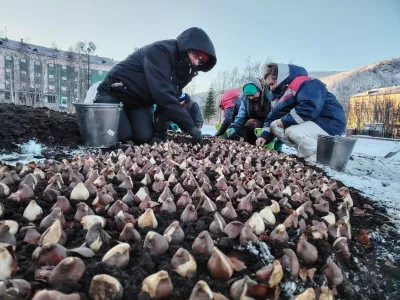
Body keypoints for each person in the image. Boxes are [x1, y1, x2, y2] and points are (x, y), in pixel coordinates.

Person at [94, 27, 217, 146]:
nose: (196, 62)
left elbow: (170, 101)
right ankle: (101, 105)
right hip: (116, 92)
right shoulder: (160, 51)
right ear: (187, 47)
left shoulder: (185, 72)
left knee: (144, 137)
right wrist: (191, 127)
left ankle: (126, 118)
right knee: (123, 135)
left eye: (201, 61)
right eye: (196, 55)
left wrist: (159, 134)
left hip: (139, 101)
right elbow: (163, 94)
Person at [256, 63, 346, 158]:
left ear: (279, 78)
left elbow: (309, 106)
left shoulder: (305, 82)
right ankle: (305, 152)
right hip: (312, 122)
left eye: (271, 84)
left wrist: (285, 120)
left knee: (291, 131)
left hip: (329, 121)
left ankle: (321, 156)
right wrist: (264, 136)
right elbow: (272, 117)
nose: (271, 88)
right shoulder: (278, 96)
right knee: (274, 126)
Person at [225, 77, 270, 145]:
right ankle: (252, 145)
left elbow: (274, 114)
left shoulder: (269, 95)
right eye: (248, 96)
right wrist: (234, 127)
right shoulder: (245, 100)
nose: (251, 98)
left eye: (252, 95)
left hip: (269, 121)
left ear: (259, 90)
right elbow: (241, 116)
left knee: (252, 123)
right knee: (248, 124)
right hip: (253, 123)